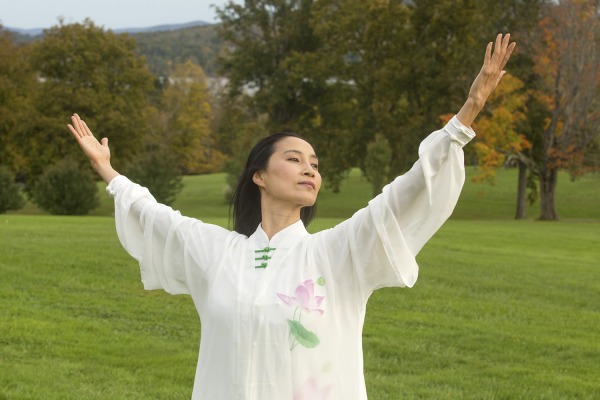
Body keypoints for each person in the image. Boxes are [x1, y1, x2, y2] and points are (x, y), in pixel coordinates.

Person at [68, 34, 515, 399]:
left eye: (315, 164)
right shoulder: (218, 253)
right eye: (295, 159)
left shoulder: (336, 253)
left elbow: (404, 195)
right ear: (259, 175)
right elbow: (155, 216)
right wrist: (107, 170)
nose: (309, 169)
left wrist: (468, 111)